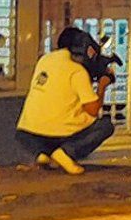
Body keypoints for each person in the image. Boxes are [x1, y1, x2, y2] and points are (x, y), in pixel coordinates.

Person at [15, 27, 115, 175]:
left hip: (27, 134)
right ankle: (66, 153)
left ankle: (42, 154)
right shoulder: (77, 70)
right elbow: (93, 110)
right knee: (105, 126)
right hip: (61, 135)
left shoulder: (44, 60)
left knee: (45, 127)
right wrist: (102, 86)